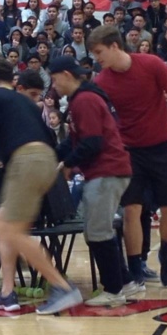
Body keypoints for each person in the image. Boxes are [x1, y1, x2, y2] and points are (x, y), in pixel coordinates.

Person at [0, 58, 81, 315]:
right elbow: (47, 135)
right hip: (45, 161)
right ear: (12, 81)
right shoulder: (25, 101)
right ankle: (7, 293)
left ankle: (62, 286)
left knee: (11, 229)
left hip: (26, 161)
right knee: (3, 222)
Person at [87, 25, 167, 290]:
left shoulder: (151, 64)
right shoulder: (101, 82)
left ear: (114, 46)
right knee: (132, 209)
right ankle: (134, 267)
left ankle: (165, 253)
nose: (97, 58)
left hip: (162, 146)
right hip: (128, 151)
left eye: (99, 52)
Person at [50, 56, 132, 307]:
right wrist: (54, 155)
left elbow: (92, 143)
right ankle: (124, 281)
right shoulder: (82, 99)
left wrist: (67, 164)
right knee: (97, 230)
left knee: (98, 232)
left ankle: (114, 290)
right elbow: (73, 141)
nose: (54, 86)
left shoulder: (85, 100)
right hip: (107, 171)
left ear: (66, 75)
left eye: (54, 79)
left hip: (106, 171)